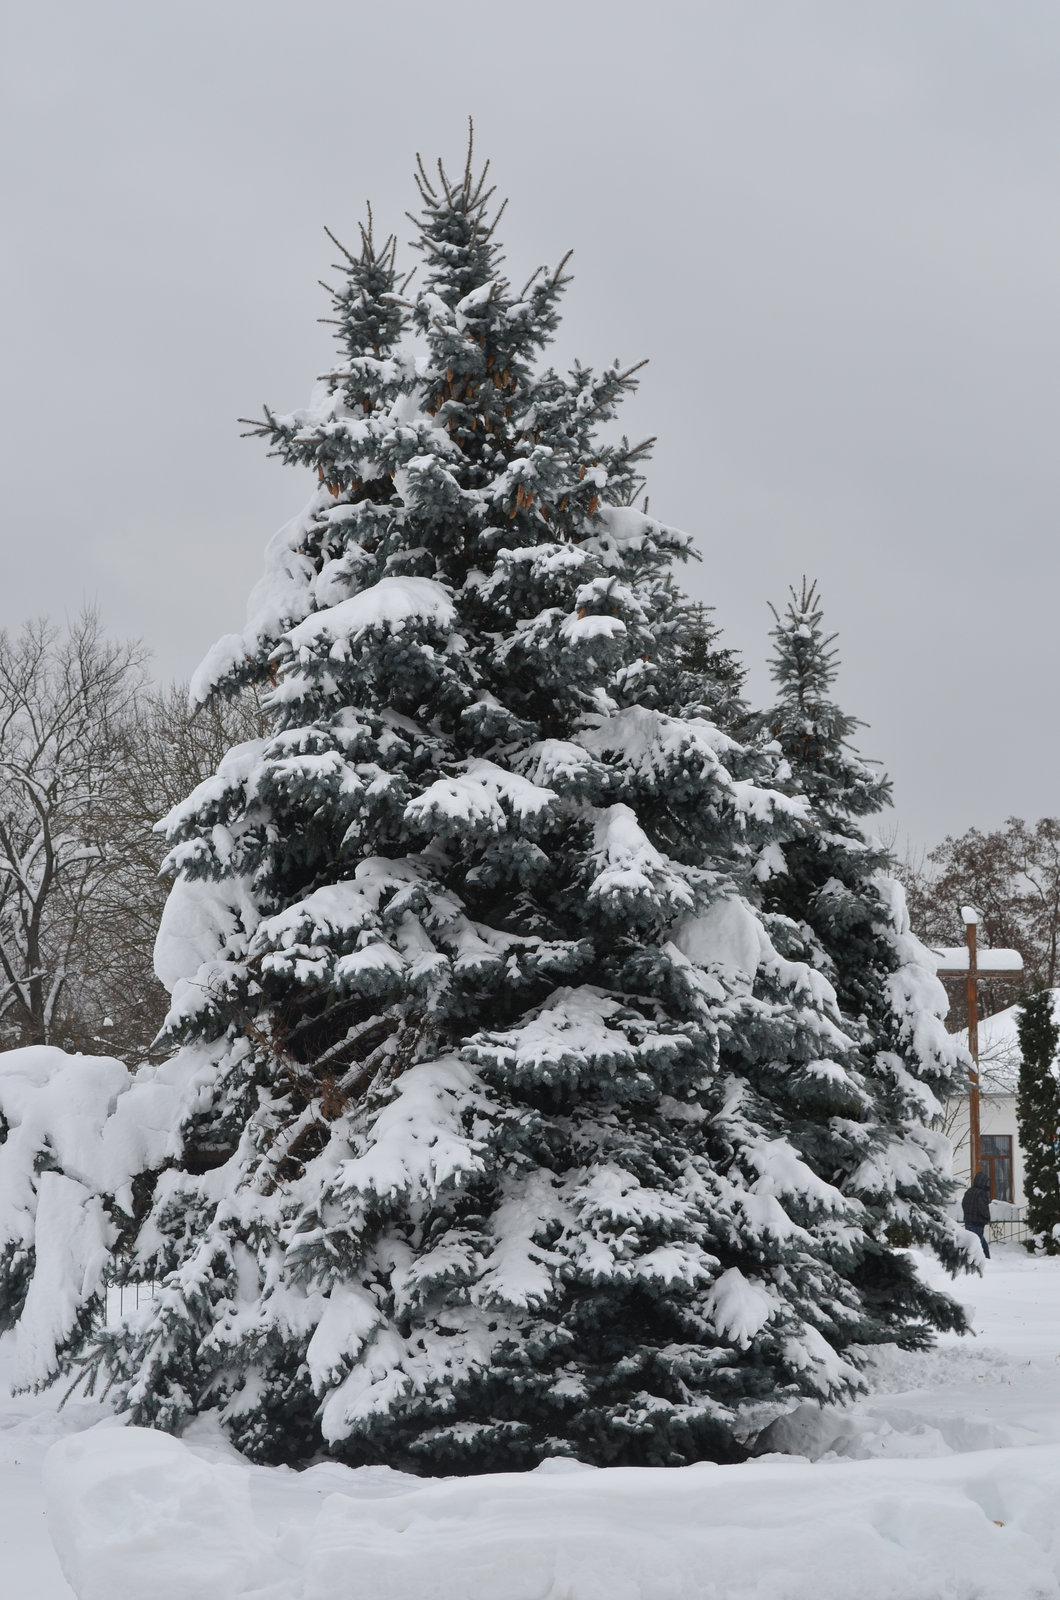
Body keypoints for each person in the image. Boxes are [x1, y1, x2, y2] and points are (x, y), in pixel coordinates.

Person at [962, 1169, 992, 1259]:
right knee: (977, 1243)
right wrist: (987, 1217)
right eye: (986, 1182)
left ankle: (985, 1258)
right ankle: (984, 1259)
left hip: (969, 1222)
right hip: (978, 1223)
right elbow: (982, 1207)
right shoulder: (981, 1193)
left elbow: (964, 1204)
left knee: (975, 1242)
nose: (987, 1184)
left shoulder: (969, 1192)